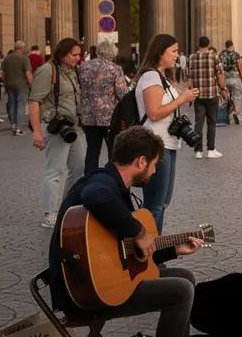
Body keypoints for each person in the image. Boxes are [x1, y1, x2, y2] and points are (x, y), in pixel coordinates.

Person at [49, 126, 212, 337]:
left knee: (185, 276)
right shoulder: (102, 184)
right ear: (140, 162)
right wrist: (138, 230)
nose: (155, 172)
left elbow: (127, 254)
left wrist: (173, 249)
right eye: (154, 165)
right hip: (86, 292)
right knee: (180, 291)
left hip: (97, 280)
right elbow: (95, 198)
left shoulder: (116, 189)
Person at [136, 34, 200, 232]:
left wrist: (183, 95)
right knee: (155, 204)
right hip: (156, 145)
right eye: (173, 51)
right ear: (160, 52)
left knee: (163, 202)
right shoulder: (151, 77)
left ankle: (155, 251)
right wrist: (181, 99)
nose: (177, 55)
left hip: (167, 144)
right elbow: (154, 113)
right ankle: (147, 254)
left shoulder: (161, 77)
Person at [28, 37, 86, 228]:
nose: (78, 58)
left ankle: (68, 208)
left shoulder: (71, 71)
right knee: (56, 171)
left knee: (78, 168)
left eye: (79, 55)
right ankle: (49, 213)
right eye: (74, 54)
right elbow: (34, 101)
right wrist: (37, 131)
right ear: (62, 53)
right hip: (56, 128)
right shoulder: (47, 70)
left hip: (74, 127)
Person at [77, 39, 130, 174]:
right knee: (113, 152)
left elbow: (79, 89)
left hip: (89, 117)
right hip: (109, 118)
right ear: (112, 54)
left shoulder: (84, 66)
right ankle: (111, 180)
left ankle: (89, 181)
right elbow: (122, 93)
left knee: (92, 151)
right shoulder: (114, 69)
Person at [187, 36, 226, 159]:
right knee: (211, 123)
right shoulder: (214, 57)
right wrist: (223, 88)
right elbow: (220, 75)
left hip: (198, 95)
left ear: (198, 44)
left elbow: (188, 77)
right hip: (211, 94)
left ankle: (198, 151)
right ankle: (211, 149)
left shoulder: (191, 58)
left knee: (198, 123)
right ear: (208, 44)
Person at [1, 40, 33, 135]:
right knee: (20, 106)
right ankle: (19, 128)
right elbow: (28, 73)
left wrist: (5, 82)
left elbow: (2, 73)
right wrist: (32, 84)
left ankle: (13, 125)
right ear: (23, 48)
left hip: (9, 84)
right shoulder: (24, 58)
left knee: (12, 104)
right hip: (21, 85)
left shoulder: (7, 58)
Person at [219, 40, 242, 125]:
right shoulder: (236, 54)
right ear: (232, 45)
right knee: (237, 96)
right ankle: (236, 113)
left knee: (226, 98)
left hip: (225, 78)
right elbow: (240, 66)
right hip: (235, 78)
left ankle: (226, 116)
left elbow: (219, 67)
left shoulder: (221, 55)